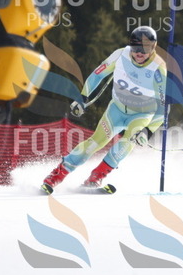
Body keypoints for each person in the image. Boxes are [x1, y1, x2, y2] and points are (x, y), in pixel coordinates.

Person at [41, 26, 167, 194]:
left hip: (141, 114)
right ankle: (56, 176)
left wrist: (147, 131)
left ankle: (96, 177)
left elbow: (163, 107)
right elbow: (97, 74)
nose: (139, 53)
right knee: (94, 142)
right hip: (117, 110)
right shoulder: (120, 55)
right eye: (136, 48)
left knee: (127, 142)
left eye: (145, 49)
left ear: (153, 47)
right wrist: (83, 98)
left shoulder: (158, 68)